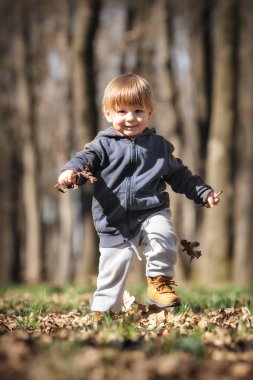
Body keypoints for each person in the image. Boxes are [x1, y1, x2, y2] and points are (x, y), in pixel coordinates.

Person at [57, 73, 220, 312]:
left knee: (163, 236)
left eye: (138, 111)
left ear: (149, 114)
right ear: (108, 114)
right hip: (114, 220)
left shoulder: (158, 147)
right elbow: (85, 160)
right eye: (122, 112)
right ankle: (104, 311)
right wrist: (71, 171)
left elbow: (180, 175)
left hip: (151, 211)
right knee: (113, 271)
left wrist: (203, 192)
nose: (130, 118)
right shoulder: (102, 145)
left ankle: (159, 284)